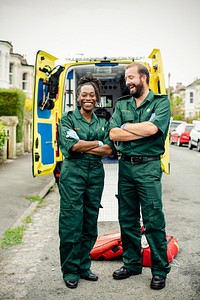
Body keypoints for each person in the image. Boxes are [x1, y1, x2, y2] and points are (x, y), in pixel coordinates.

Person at [109, 62, 171, 290]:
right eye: (126, 78)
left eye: (131, 77)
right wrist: (134, 129)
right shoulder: (123, 103)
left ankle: (159, 270)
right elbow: (113, 132)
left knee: (153, 219)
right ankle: (132, 263)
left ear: (144, 78)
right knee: (127, 218)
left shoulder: (161, 102)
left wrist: (127, 127)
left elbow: (152, 130)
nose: (128, 82)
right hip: (125, 168)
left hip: (148, 168)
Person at [58, 74, 113, 289]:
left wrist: (87, 143)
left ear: (97, 98)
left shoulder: (102, 122)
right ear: (78, 98)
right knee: (72, 223)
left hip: (95, 176)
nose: (88, 98)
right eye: (84, 94)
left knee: (90, 223)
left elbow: (109, 149)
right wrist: (97, 142)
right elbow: (73, 147)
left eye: (92, 94)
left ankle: (83, 265)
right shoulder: (68, 119)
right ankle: (70, 270)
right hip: (73, 175)